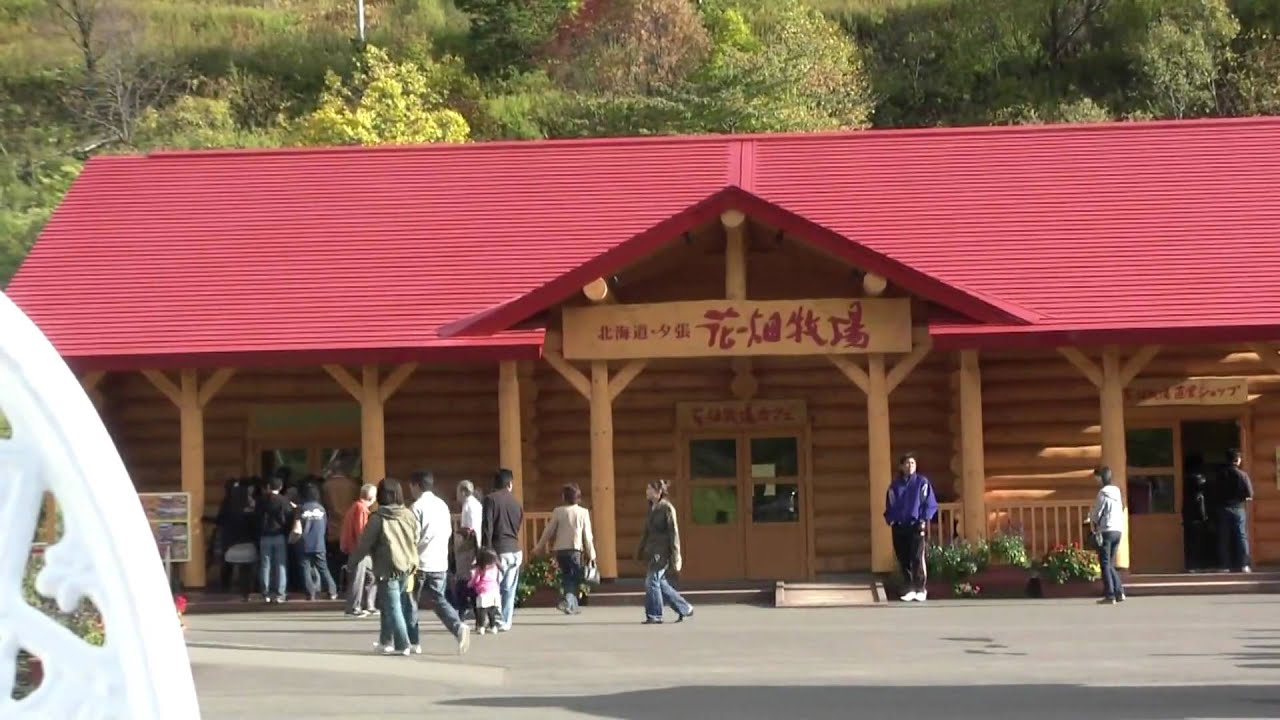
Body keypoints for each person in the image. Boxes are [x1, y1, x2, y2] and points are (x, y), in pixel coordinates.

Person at [348, 478, 420, 656]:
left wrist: (352, 562)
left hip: (387, 567)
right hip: (407, 566)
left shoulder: (378, 518)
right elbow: (416, 537)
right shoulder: (409, 515)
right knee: (391, 606)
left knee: (393, 607)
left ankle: (403, 643)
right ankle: (385, 641)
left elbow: (364, 544)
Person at [408, 470, 470, 654]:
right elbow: (448, 532)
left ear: (417, 485)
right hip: (439, 561)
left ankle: (413, 641)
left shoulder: (416, 507)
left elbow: (414, 536)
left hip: (419, 562)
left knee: (410, 602)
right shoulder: (442, 505)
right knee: (438, 600)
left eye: (411, 486)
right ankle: (457, 626)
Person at [883, 451, 938, 602]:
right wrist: (892, 520)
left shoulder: (922, 482)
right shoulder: (894, 486)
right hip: (900, 526)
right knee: (903, 557)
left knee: (917, 556)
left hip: (916, 525)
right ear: (901, 466)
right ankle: (909, 587)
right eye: (907, 463)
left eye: (912, 463)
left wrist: (924, 519)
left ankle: (920, 588)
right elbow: (890, 505)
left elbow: (929, 503)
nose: (910, 466)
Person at [636, 479, 693, 624]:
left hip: (662, 551)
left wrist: (676, 554)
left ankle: (655, 614)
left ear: (658, 492)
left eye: (650, 489)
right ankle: (684, 607)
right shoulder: (652, 508)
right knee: (660, 582)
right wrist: (640, 550)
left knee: (652, 580)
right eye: (647, 489)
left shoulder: (667, 508)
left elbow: (674, 533)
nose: (647, 492)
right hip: (652, 549)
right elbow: (646, 532)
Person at [534, 483, 596, 616]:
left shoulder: (558, 511)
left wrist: (539, 546)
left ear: (564, 497)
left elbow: (548, 531)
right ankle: (568, 601)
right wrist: (592, 554)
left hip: (560, 550)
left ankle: (572, 606)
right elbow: (587, 536)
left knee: (568, 577)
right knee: (573, 578)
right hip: (575, 549)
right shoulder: (583, 512)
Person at [482, 468, 524, 632]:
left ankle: (495, 619)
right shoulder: (516, 504)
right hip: (514, 549)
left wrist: (486, 550)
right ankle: (505, 621)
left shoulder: (490, 500)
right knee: (509, 589)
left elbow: (487, 527)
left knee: (492, 586)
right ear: (510, 484)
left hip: (498, 550)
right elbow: (518, 525)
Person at [1089, 466, 1127, 604]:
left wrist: (1091, 519)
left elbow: (1097, 512)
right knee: (1110, 563)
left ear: (1100, 477)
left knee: (1104, 563)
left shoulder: (1103, 493)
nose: (1096, 480)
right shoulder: (1117, 492)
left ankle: (1110, 595)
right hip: (1118, 530)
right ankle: (1119, 592)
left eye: (1096, 477)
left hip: (1107, 530)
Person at [341, 483, 379, 617]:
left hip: (356, 548)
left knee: (371, 576)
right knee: (359, 577)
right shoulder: (361, 509)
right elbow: (362, 531)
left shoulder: (355, 507)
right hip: (360, 549)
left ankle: (369, 605)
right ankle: (353, 607)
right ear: (372, 497)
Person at [255, 475, 295, 603]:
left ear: (267, 487)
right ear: (281, 487)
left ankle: (265, 593)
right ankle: (280, 593)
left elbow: (255, 518)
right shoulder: (284, 501)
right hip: (279, 535)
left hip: (264, 536)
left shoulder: (260, 501)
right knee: (280, 565)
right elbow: (289, 518)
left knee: (265, 565)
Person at [299, 483, 339, 601]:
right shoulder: (322, 509)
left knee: (305, 569)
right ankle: (332, 591)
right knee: (323, 568)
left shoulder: (302, 508)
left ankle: (310, 593)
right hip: (319, 543)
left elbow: (297, 526)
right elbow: (325, 525)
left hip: (304, 543)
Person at [1217, 448, 1254, 573]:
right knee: (1241, 536)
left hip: (1223, 508)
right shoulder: (1242, 475)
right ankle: (1244, 565)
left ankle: (1224, 565)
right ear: (1237, 460)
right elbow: (1249, 493)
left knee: (1224, 536)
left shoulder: (1220, 474)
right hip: (1238, 508)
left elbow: (1213, 492)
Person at [1182, 455, 1213, 572]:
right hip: (1197, 515)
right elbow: (1204, 490)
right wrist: (1204, 516)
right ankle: (1195, 565)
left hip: (1188, 514)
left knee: (1191, 541)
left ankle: (1192, 565)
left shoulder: (1184, 478)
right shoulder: (1197, 478)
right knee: (1196, 541)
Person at [470, 548, 501, 635]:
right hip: (494, 591)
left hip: (483, 592)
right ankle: (493, 626)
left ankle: (481, 627)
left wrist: (470, 584)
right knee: (492, 611)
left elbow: (476, 580)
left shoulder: (480, 569)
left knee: (481, 611)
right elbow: (497, 579)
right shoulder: (495, 567)